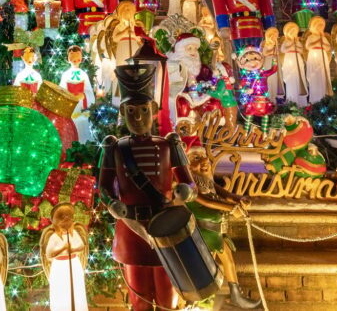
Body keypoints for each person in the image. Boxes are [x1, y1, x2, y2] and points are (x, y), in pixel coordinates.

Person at [98, 64, 195, 311]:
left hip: (166, 227)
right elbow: (104, 187)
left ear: (153, 110)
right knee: (139, 299)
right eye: (131, 110)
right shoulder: (113, 147)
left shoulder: (169, 144)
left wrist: (184, 191)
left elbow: (189, 182)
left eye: (143, 110)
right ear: (123, 112)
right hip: (131, 229)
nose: (138, 117)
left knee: (168, 296)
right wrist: (112, 204)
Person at [186, 146, 261, 309]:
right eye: (196, 159)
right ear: (187, 164)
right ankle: (200, 301)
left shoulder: (207, 182)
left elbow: (225, 194)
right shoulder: (190, 184)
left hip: (217, 230)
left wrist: (239, 199)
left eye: (203, 157)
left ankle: (235, 295)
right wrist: (232, 209)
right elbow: (207, 202)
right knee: (207, 267)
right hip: (204, 232)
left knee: (227, 261)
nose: (204, 162)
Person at [40, 204, 90, 311]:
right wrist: (63, 249)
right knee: (62, 292)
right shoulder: (53, 237)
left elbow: (81, 246)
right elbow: (49, 255)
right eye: (62, 225)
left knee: (75, 291)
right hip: (59, 267)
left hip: (74, 264)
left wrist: (73, 250)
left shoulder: (74, 233)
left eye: (68, 223)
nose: (65, 227)